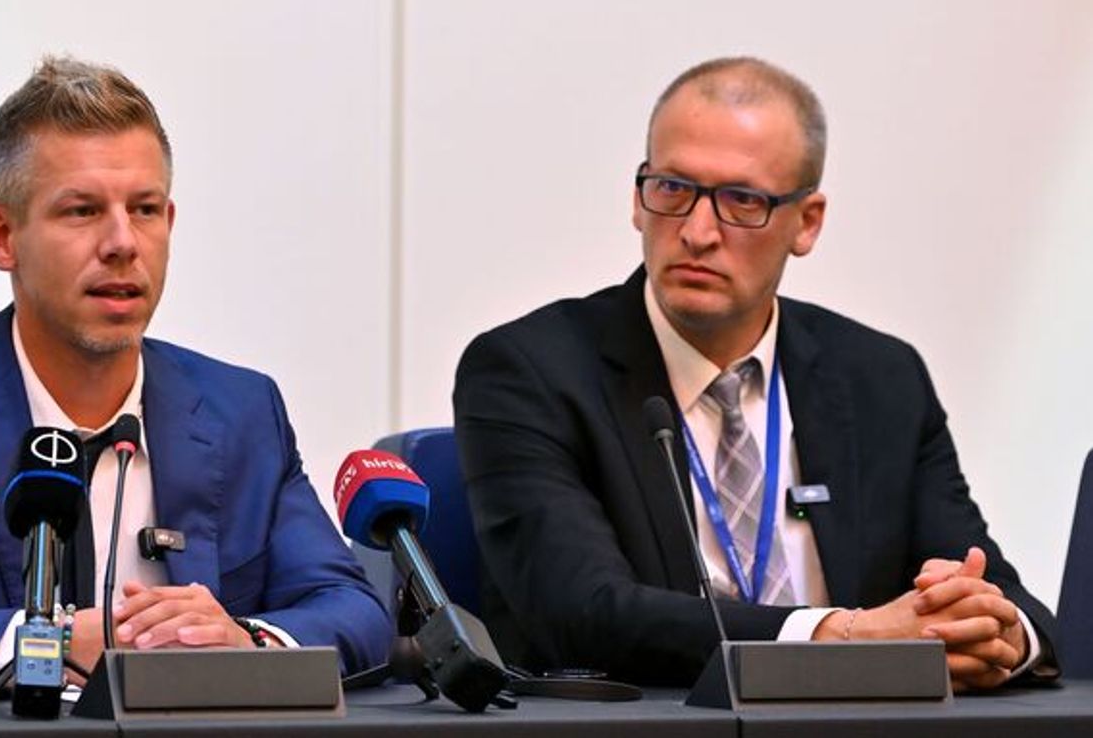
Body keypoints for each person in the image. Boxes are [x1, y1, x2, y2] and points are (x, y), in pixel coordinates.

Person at [0, 56, 391, 696]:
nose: (123, 242)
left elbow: (352, 608)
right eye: (82, 211)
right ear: (2, 237)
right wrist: (40, 643)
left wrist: (247, 642)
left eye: (145, 209)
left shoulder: (243, 410)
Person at [453, 57, 1058, 690]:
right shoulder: (529, 372)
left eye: (742, 200)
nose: (697, 232)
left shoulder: (880, 378)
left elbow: (988, 583)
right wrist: (843, 636)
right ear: (637, 199)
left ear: (807, 222)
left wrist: (998, 632)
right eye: (672, 188)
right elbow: (583, 613)